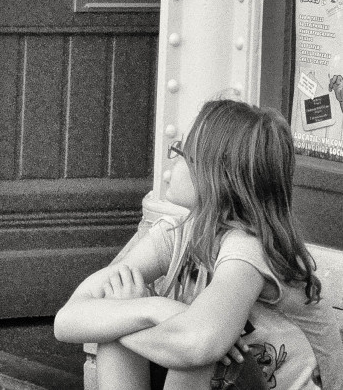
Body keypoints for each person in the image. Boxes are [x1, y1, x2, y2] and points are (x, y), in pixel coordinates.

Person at [54, 99, 343, 390]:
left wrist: (128, 316)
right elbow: (66, 320)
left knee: (175, 339)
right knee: (131, 320)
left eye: (182, 153)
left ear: (215, 175)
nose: (172, 162)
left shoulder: (250, 247)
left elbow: (198, 345)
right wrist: (154, 308)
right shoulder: (178, 234)